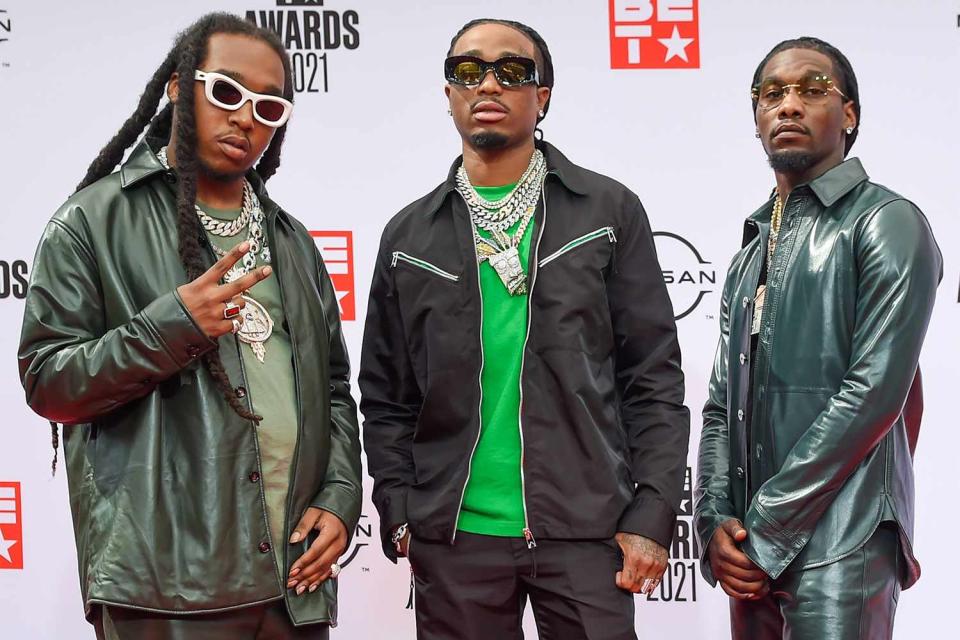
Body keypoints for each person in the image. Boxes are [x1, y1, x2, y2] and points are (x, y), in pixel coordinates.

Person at [17, 13, 361, 639]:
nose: (245, 117)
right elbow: (49, 381)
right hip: (165, 587)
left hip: (293, 581)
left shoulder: (293, 242)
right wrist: (174, 325)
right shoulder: (93, 221)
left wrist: (339, 496)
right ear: (179, 88)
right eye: (226, 92)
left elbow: (333, 388)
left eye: (269, 106)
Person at [360, 18, 689, 640]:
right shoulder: (408, 236)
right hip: (455, 537)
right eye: (467, 70)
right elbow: (385, 395)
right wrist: (399, 508)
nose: (488, 83)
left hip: (588, 531)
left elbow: (652, 379)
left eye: (512, 71)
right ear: (448, 93)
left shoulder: (607, 211)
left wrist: (650, 512)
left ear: (543, 97)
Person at [694, 36, 942, 639]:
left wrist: (769, 527)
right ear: (755, 119)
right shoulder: (748, 253)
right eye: (772, 94)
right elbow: (722, 407)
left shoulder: (886, 222)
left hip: (845, 540)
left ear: (849, 115)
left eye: (812, 90)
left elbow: (873, 395)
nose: (789, 105)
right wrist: (716, 523)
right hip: (752, 552)